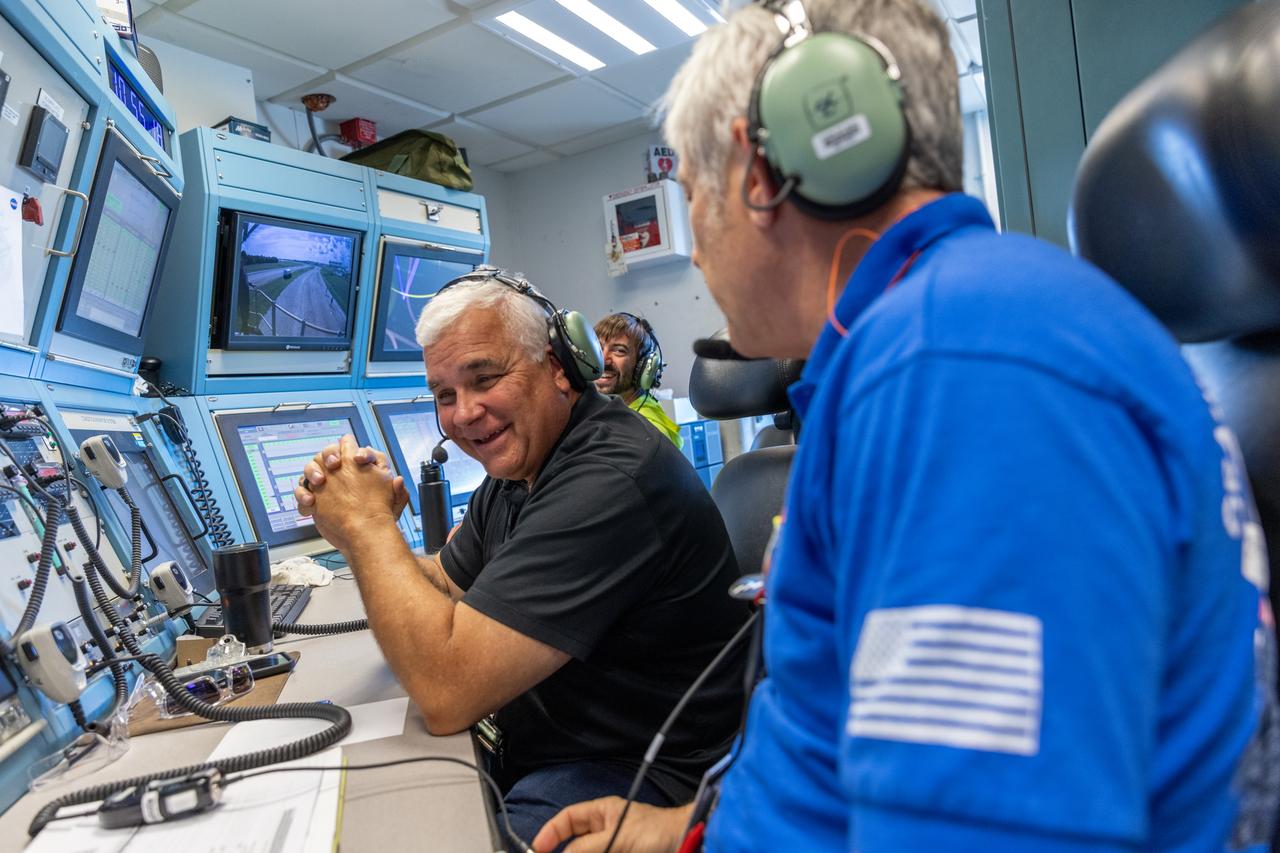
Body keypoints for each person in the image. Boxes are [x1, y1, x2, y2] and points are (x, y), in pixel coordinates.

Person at [533, 1, 1279, 851]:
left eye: (693, 194)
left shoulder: (963, 366)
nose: (695, 248)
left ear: (762, 168)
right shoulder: (932, 341)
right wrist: (688, 831)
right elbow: (852, 723)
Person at [293, 269, 748, 849]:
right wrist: (360, 530)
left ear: (560, 366)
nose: (464, 414)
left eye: (485, 378)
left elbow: (446, 692)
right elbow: (445, 588)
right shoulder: (518, 472)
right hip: (561, 747)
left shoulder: (607, 478)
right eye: (445, 395)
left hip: (646, 773)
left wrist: (366, 527)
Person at [593, 312, 683, 448]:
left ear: (643, 366)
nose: (603, 360)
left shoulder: (645, 430)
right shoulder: (617, 413)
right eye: (598, 348)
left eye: (619, 350)